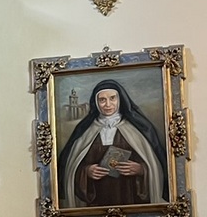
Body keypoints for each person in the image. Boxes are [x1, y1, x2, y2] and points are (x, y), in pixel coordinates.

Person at [57, 80, 168, 209]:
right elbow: (70, 169)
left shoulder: (138, 129)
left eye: (112, 98)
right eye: (102, 100)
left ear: (120, 100)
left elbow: (156, 166)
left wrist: (141, 169)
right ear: (96, 103)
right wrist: (86, 171)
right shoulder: (85, 131)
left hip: (131, 197)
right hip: (96, 201)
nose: (108, 104)